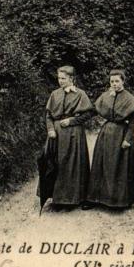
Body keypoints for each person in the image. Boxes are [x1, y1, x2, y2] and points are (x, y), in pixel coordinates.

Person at [87, 69, 134, 209]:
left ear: (123, 81)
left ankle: (120, 200)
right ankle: (97, 199)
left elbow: (133, 122)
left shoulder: (129, 99)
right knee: (102, 164)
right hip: (106, 134)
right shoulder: (106, 96)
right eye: (112, 81)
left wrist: (127, 140)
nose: (114, 84)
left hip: (121, 134)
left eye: (117, 81)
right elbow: (94, 109)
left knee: (119, 167)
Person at [42, 65, 94, 209]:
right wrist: (51, 129)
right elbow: (48, 115)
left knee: (73, 165)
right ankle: (57, 199)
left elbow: (88, 113)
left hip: (73, 134)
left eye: (63, 78)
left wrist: (71, 121)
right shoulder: (55, 94)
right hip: (56, 135)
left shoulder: (80, 94)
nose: (60, 81)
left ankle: (74, 199)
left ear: (71, 79)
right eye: (59, 78)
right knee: (56, 164)